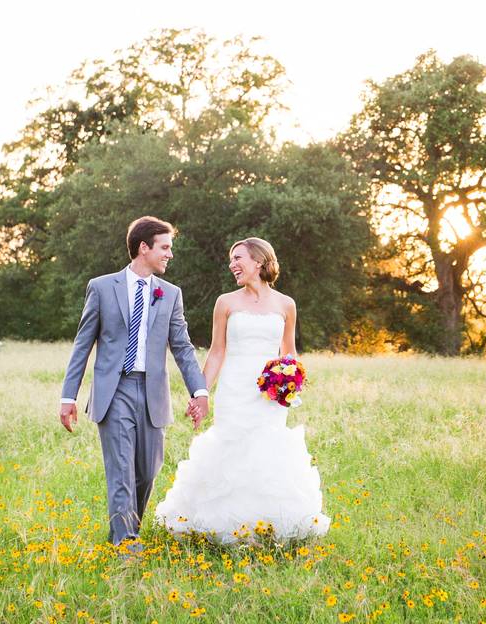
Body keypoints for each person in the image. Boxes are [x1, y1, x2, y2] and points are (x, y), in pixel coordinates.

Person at [155, 237, 329, 543]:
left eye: (238, 258)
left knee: (267, 450)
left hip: (269, 395)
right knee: (232, 446)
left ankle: (269, 526)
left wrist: (290, 381)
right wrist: (201, 393)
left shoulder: (286, 304)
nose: (232, 264)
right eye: (231, 259)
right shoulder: (226, 302)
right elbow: (217, 352)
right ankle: (223, 524)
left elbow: (288, 353)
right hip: (234, 389)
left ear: (259, 261)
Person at [59, 216, 210, 548]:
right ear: (144, 247)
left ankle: (125, 529)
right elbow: (83, 344)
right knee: (122, 470)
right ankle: (127, 542)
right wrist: (67, 397)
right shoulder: (101, 287)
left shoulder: (170, 294)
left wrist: (199, 391)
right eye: (165, 247)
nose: (170, 254)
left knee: (146, 472)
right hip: (114, 391)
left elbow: (182, 346)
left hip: (153, 393)